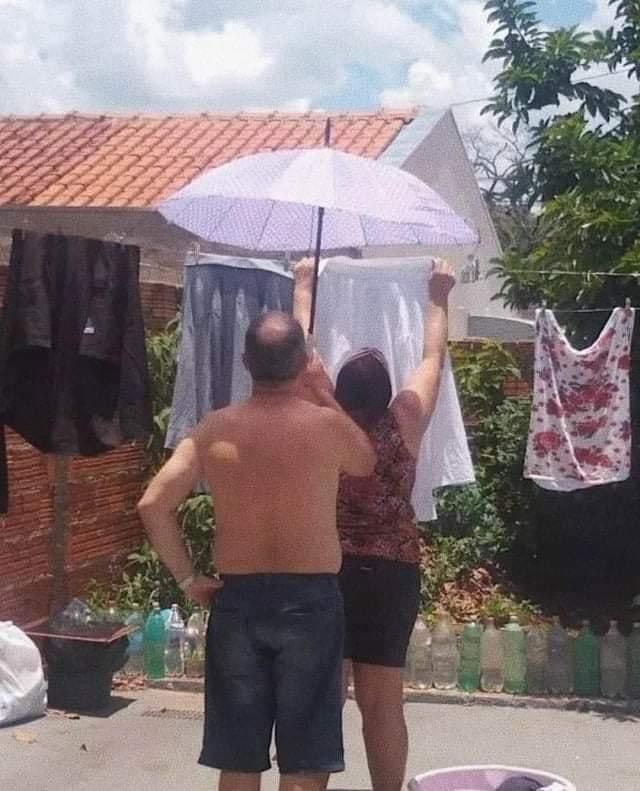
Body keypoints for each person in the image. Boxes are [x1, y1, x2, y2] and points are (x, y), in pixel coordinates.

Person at [138, 310, 376, 791]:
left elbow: (153, 505)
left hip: (239, 600)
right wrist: (323, 391)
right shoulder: (327, 427)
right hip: (311, 601)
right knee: (306, 760)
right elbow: (366, 462)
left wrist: (188, 578)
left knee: (240, 757)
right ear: (305, 361)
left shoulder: (215, 428)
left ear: (246, 361)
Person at [293, 256, 456, 791]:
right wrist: (438, 294)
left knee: (323, 697)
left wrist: (304, 284)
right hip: (392, 574)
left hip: (329, 570)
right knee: (382, 701)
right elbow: (433, 354)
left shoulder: (321, 422)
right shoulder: (404, 421)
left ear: (340, 389)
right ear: (386, 392)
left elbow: (302, 354)